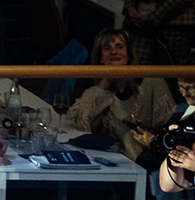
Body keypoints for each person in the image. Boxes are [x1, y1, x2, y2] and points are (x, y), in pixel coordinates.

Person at [65, 29, 174, 159]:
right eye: (107, 48)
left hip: (147, 158)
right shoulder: (94, 90)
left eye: (119, 47)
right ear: (100, 58)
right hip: (109, 158)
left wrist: (148, 128)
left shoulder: (151, 83)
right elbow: (86, 126)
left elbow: (170, 123)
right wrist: (105, 84)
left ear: (128, 53)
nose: (114, 52)